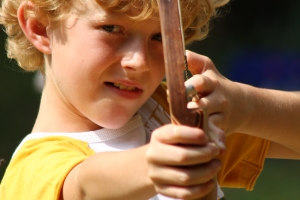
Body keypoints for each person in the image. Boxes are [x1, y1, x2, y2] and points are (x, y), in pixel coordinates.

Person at [0, 0, 299, 200]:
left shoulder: (169, 110)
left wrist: (246, 107)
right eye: (111, 28)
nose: (140, 61)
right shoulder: (32, 172)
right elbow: (81, 186)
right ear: (40, 26)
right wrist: (151, 164)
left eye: (160, 36)